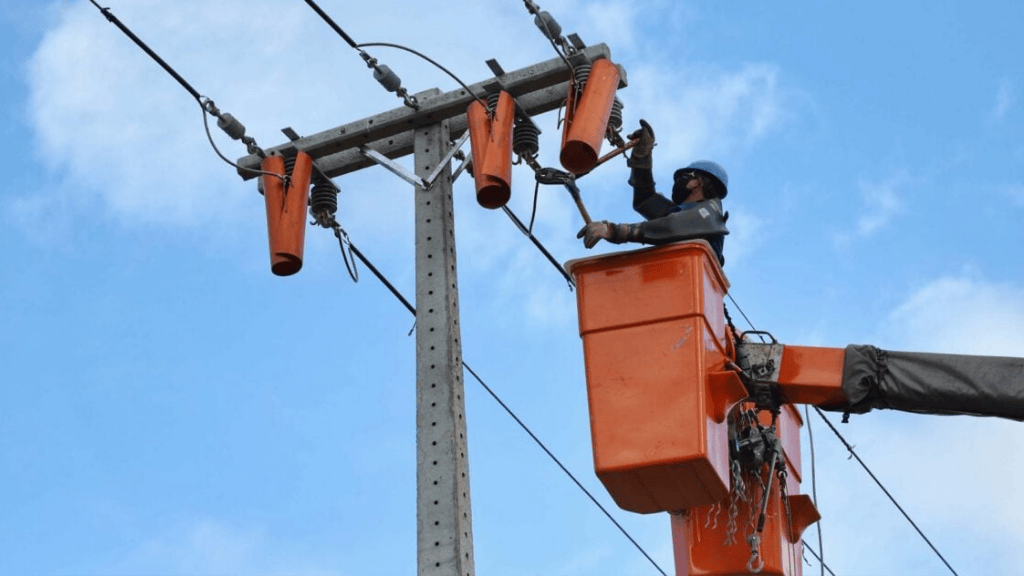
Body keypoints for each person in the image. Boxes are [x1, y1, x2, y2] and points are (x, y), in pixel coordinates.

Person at [576, 120, 730, 265]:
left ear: (698, 182)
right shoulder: (683, 213)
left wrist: (613, 231)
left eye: (683, 177)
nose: (677, 183)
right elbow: (646, 200)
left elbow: (671, 226)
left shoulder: (710, 213)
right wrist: (641, 157)